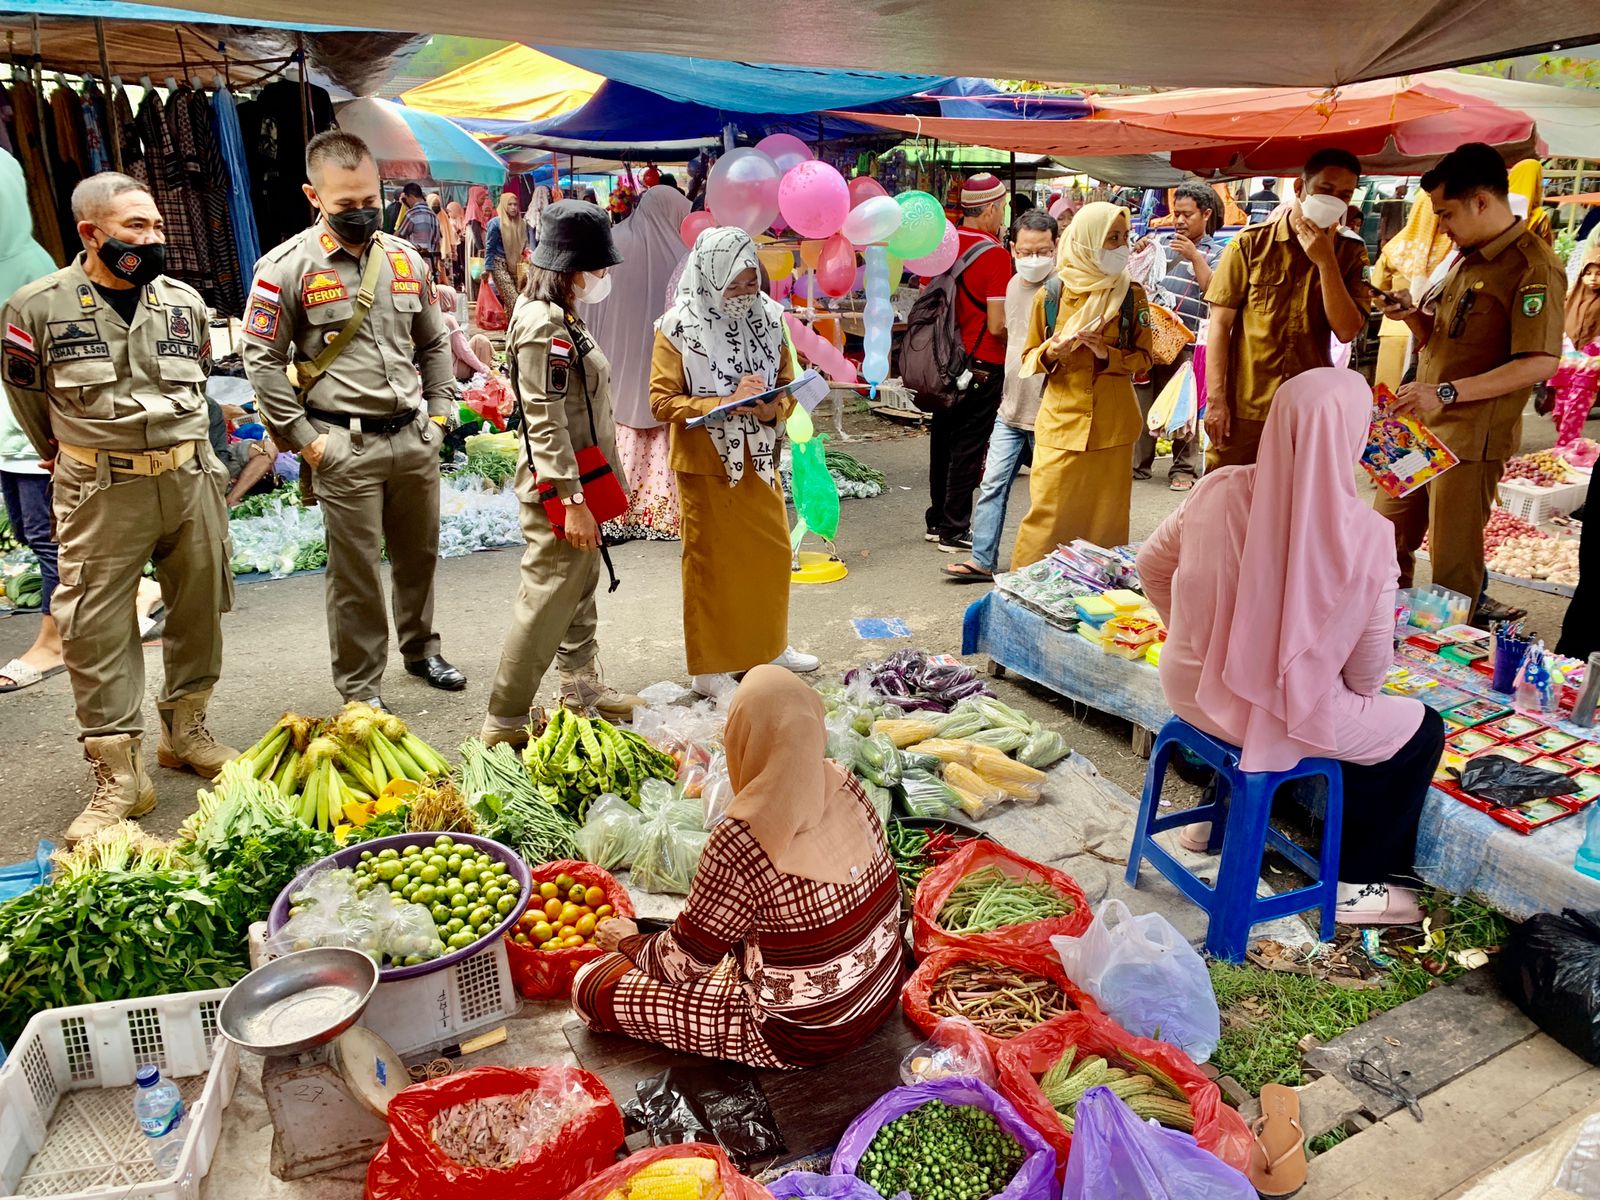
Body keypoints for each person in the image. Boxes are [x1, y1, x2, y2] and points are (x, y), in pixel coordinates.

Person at [1137, 368, 1445, 925]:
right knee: (1418, 729)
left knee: (1261, 695)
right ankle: (1359, 886)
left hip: (1188, 688)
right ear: (1352, 436)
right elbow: (1369, 677)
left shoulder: (1218, 486)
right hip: (1268, 714)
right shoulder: (1368, 534)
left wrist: (1192, 638)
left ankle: (1213, 823)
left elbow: (1150, 568)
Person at [2, 172, 236, 841]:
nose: (151, 238)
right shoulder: (36, 308)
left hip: (188, 480)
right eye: (136, 227)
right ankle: (120, 775)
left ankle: (185, 736)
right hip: (100, 488)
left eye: (157, 226)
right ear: (91, 232)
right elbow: (29, 401)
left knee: (198, 609)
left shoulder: (183, 302)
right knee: (95, 628)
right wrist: (75, 452)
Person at [573, 665, 902, 1068]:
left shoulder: (741, 839)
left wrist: (627, 940)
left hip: (797, 1037)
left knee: (591, 985)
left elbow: (680, 965)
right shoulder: (845, 782)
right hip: (880, 994)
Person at [242, 130, 465, 709]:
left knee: (420, 556)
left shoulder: (404, 258)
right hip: (344, 445)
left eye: (370, 199)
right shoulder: (284, 268)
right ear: (313, 195)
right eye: (346, 204)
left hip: (413, 437)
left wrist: (441, 414)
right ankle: (362, 688)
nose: (363, 213)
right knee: (356, 576)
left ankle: (421, 649)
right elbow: (261, 362)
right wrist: (308, 444)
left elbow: (434, 341)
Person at [1376, 142, 1566, 621]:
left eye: (1446, 213)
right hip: (1418, 424)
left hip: (1469, 437)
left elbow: (1540, 362)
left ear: (1482, 201)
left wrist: (1442, 392)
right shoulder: (1466, 256)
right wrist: (1413, 317)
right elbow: (1445, 339)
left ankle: (1439, 665)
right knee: (1380, 536)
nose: (1441, 225)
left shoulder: (1533, 266)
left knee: (1451, 570)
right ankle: (1375, 634)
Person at [482, 201, 641, 745]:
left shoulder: (564, 317)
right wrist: (570, 500)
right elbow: (543, 420)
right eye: (598, 268)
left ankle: (579, 687)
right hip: (560, 488)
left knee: (578, 589)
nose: (603, 278)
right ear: (572, 265)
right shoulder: (543, 324)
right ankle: (505, 717)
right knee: (548, 596)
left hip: (583, 479)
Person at [649, 227, 818, 694]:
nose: (746, 294)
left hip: (760, 455)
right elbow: (662, 402)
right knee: (710, 565)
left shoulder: (770, 317)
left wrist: (772, 407)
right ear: (708, 276)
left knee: (772, 552)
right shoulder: (677, 327)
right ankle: (709, 668)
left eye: (751, 283)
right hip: (706, 464)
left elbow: (786, 382)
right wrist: (721, 401)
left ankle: (770, 646)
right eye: (734, 284)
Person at [1002, 204, 1152, 571]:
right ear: (1086, 242)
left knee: (1106, 526)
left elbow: (1145, 359)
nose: (1121, 246)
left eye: (1123, 238)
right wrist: (1053, 349)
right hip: (1060, 424)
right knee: (1047, 520)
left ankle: (1094, 599)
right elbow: (1028, 358)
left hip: (1112, 429)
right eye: (1110, 239)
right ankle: (1026, 593)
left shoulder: (1131, 295)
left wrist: (1108, 353)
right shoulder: (1051, 294)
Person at [1204, 148, 1369, 469]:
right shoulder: (1250, 243)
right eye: (1326, 190)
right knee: (1225, 500)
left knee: (1294, 504)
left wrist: (1326, 262)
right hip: (1246, 408)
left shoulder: (1350, 251)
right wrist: (1216, 400)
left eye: (1345, 195)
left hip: (1308, 411)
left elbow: (1347, 330)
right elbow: (1220, 326)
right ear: (1299, 188)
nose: (1335, 201)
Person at [945, 209, 1058, 583]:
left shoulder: (1063, 289)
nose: (1034, 258)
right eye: (1026, 251)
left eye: (1042, 250)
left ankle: (1043, 564)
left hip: (1049, 411)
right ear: (1012, 248)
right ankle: (982, 559)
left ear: (1056, 246)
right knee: (993, 484)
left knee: (1046, 497)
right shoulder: (1011, 286)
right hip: (1010, 407)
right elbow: (1009, 337)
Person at [580, 183, 692, 541]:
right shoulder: (683, 254)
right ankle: (659, 511)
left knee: (617, 421)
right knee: (658, 419)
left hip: (611, 352)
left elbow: (585, 298)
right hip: (661, 357)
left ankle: (613, 508)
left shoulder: (613, 240)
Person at [0, 148, 64, 694]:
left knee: (47, 535)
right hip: (6, 435)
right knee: (26, 529)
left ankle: (55, 639)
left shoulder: (28, 272)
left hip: (29, 436)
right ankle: (138, 593)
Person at [925, 173, 1013, 554]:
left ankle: (937, 520)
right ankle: (954, 529)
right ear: (991, 208)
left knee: (943, 439)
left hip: (942, 360)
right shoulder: (995, 254)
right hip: (981, 363)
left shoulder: (943, 244)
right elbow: (997, 324)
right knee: (969, 445)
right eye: (1003, 208)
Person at [1134, 182, 1223, 490]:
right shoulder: (1163, 243)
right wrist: (1142, 253)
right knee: (1144, 401)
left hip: (1188, 341)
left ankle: (1183, 469)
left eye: (1187, 214)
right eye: (1176, 214)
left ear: (1206, 214)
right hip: (1153, 338)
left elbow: (1215, 291)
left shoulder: (1217, 252)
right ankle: (1138, 466)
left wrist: (1195, 256)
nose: (1180, 221)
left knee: (1182, 405)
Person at [1368, 191, 1456, 392]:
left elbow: (1376, 288)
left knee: (1387, 400)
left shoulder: (1397, 246)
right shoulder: (1453, 251)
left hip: (1394, 331)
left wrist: (1389, 302)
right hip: (1434, 336)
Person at [1549, 242, 1600, 448]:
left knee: (1575, 409)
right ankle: (1566, 447)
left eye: (1598, 273)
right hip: (1566, 363)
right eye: (1588, 273)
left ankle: (1563, 450)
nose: (1593, 279)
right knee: (1560, 411)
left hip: (1591, 364)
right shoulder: (1570, 298)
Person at [435, 285, 495, 383]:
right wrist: (483, 369)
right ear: (447, 298)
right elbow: (463, 351)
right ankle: (485, 379)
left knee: (476, 340)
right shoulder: (448, 320)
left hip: (437, 370)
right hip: (451, 370)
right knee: (481, 340)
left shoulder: (431, 318)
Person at [484, 191, 529, 312]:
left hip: (517, 267)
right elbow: (490, 247)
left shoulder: (521, 223)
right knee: (513, 300)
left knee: (520, 299)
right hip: (499, 265)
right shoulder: (495, 223)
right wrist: (487, 268)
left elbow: (524, 244)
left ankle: (511, 329)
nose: (513, 207)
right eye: (510, 204)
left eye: (515, 204)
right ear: (503, 205)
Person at [395, 183, 442, 278]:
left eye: (407, 199)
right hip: (430, 269)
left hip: (415, 267)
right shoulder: (433, 216)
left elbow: (396, 237)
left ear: (411, 197)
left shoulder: (412, 214)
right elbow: (437, 244)